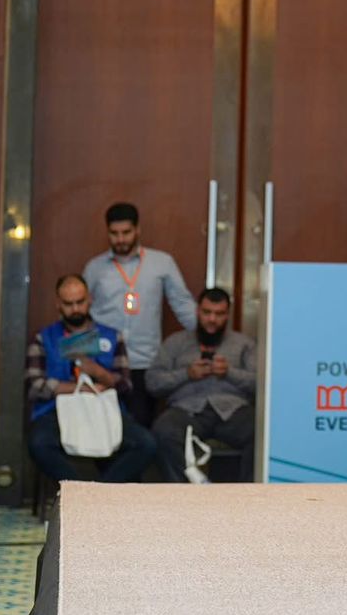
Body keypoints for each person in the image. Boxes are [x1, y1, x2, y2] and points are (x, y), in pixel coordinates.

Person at [25, 274, 158, 483]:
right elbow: (34, 386)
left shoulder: (112, 336)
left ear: (90, 300)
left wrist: (100, 374)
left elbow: (126, 385)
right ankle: (78, 489)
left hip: (103, 409)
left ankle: (100, 491)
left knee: (146, 444)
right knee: (38, 443)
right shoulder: (43, 338)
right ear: (58, 304)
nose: (75, 309)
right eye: (68, 304)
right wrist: (79, 389)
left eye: (80, 302)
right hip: (56, 411)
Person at [83, 202, 197, 427]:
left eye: (126, 232)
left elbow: (183, 305)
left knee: (138, 427)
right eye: (114, 233)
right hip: (104, 362)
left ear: (138, 230)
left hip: (144, 362)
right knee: (102, 428)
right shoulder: (94, 268)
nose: (120, 239)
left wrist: (208, 336)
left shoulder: (162, 263)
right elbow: (81, 314)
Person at [146, 287, 257, 482]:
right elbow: (153, 382)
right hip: (186, 410)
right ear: (198, 311)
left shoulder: (244, 344)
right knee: (164, 430)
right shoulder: (176, 342)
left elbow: (260, 385)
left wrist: (229, 373)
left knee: (260, 431)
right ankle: (183, 492)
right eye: (207, 312)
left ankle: (247, 494)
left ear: (227, 315)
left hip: (233, 411)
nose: (212, 319)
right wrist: (186, 374)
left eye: (219, 314)